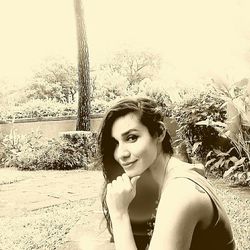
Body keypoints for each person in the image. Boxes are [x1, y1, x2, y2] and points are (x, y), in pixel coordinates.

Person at [98, 97, 236, 250]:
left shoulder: (180, 192)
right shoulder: (163, 178)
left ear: (160, 133)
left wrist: (119, 214)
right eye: (115, 143)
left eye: (132, 138)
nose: (120, 154)